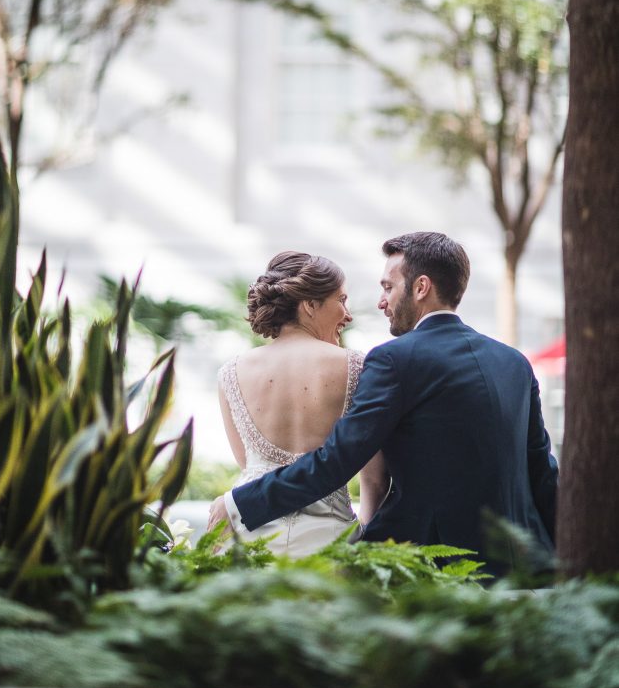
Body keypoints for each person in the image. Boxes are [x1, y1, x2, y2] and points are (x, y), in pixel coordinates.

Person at [209, 232, 559, 573]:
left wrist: (241, 502)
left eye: (388, 287)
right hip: (522, 562)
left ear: (421, 288)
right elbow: (543, 471)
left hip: (435, 565)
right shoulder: (514, 362)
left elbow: (337, 460)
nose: (380, 302)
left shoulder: (394, 360)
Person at [215, 250, 390, 557]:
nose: (348, 315)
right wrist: (368, 537)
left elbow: (248, 466)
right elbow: (374, 478)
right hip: (330, 541)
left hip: (250, 537)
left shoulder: (230, 373)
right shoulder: (358, 367)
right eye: (342, 299)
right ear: (310, 305)